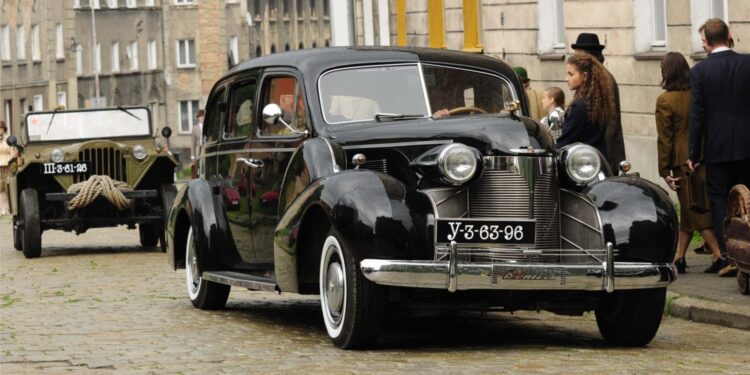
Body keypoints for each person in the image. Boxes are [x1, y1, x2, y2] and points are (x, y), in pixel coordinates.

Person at [687, 18, 750, 277]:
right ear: (729, 35)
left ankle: (728, 254)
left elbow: (698, 115)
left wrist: (693, 153)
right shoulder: (747, 63)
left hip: (717, 146)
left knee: (719, 199)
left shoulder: (700, 72)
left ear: (706, 42)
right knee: (749, 198)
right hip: (747, 143)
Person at [655, 52, 722, 274]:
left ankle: (719, 255)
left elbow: (666, 138)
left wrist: (664, 169)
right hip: (704, 155)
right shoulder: (696, 94)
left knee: (695, 208)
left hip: (682, 163)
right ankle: (680, 257)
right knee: (689, 208)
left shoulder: (665, 100)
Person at [572, 33, 626, 173]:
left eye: (578, 55)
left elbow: (611, 121)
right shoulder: (589, 78)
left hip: (603, 153)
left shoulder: (604, 79)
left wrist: (602, 156)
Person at [555, 54, 615, 158]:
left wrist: (549, 150)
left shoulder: (579, 106)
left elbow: (566, 141)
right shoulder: (597, 102)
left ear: (585, 76)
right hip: (597, 159)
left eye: (571, 74)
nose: (567, 78)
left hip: (580, 163)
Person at [0, 120, 19, 215]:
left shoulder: (8, 139)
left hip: (8, 166)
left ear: (4, 129)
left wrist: (12, 158)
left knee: (8, 187)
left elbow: (14, 151)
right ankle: (3, 209)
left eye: (1, 128)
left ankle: (9, 209)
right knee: (0, 189)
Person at [191, 109, 205, 179]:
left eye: (203, 116)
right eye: (200, 117)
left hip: (205, 148)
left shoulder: (207, 127)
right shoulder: (195, 128)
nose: (202, 118)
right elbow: (193, 143)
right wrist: (192, 156)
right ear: (198, 118)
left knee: (204, 165)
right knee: (198, 166)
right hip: (197, 149)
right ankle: (198, 178)